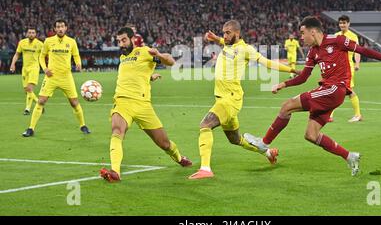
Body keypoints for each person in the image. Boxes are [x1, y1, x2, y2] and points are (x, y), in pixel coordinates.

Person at [244, 16, 381, 176]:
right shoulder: (313, 52)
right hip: (328, 92)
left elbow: (363, 50)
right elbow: (303, 77)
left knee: (287, 106)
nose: (301, 37)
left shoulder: (337, 41)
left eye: (303, 33)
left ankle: (263, 143)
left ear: (313, 32)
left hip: (336, 89)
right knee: (311, 135)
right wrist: (283, 84)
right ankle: (349, 156)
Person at [188, 20, 297, 180]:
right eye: (223, 33)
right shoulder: (227, 44)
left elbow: (267, 63)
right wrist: (215, 38)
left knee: (205, 125)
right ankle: (268, 153)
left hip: (230, 99)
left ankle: (205, 169)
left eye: (227, 33)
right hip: (222, 99)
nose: (224, 36)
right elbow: (223, 41)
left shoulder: (246, 50)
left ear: (236, 34)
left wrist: (292, 70)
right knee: (235, 139)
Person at [100, 27, 192, 182]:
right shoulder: (122, 59)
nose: (121, 44)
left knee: (164, 144)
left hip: (143, 106)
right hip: (122, 102)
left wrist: (159, 55)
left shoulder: (144, 52)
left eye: (124, 40)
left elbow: (171, 61)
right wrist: (148, 77)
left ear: (132, 39)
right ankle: (115, 172)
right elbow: (133, 75)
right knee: (117, 131)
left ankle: (178, 157)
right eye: (118, 41)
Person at [22, 19, 90, 137]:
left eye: (62, 26)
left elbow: (76, 55)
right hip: (51, 77)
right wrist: (45, 69)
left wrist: (78, 63)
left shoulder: (71, 42)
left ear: (66, 28)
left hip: (66, 77)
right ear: (54, 29)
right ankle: (30, 128)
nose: (60, 29)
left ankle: (83, 125)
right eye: (58, 27)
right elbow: (42, 57)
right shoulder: (48, 41)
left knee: (74, 103)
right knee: (41, 101)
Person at [329, 15, 362, 123]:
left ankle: (357, 115)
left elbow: (357, 51)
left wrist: (357, 63)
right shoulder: (336, 35)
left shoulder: (353, 36)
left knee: (348, 91)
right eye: (340, 23)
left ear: (348, 24)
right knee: (335, 90)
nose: (342, 25)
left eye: (344, 23)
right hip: (337, 68)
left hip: (348, 68)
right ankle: (330, 115)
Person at [9, 27, 43, 115]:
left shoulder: (40, 44)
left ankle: (32, 107)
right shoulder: (22, 43)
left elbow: (45, 55)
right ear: (27, 34)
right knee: (26, 90)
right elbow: (17, 54)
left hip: (34, 68)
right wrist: (13, 64)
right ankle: (30, 107)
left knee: (29, 88)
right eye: (29, 32)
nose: (31, 34)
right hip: (25, 69)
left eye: (33, 33)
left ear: (35, 34)